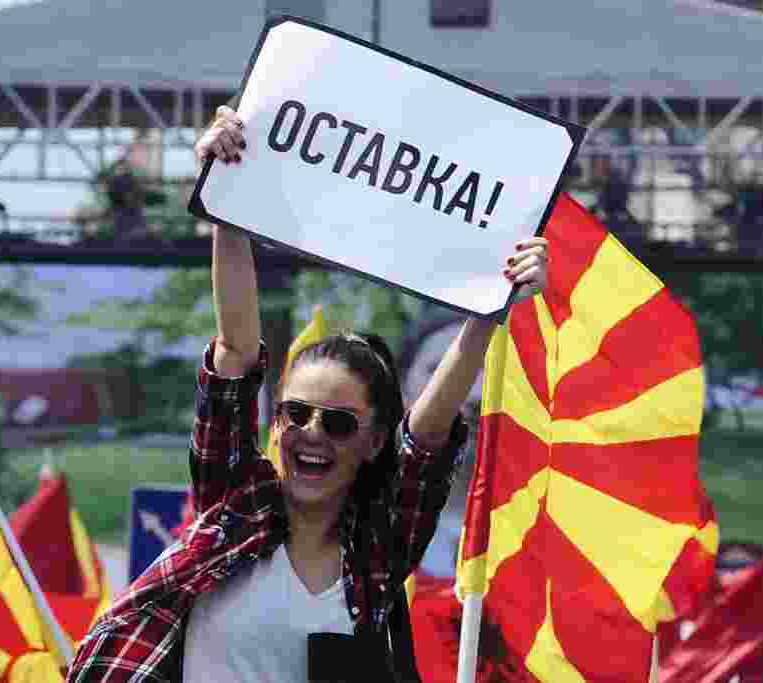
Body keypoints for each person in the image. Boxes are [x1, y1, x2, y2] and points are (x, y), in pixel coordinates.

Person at [66, 106, 549, 683]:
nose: (313, 432)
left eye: (340, 423)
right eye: (296, 413)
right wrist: (228, 208)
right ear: (276, 427)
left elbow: (425, 436)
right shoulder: (232, 507)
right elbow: (237, 351)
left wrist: (488, 309)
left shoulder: (376, 551)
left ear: (373, 444)